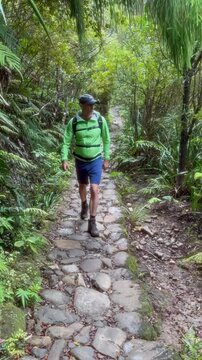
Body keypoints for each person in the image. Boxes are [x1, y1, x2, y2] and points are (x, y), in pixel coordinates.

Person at [61, 94, 110, 237]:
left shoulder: (100, 120)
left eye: (93, 105)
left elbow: (106, 140)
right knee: (82, 185)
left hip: (96, 159)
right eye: (89, 105)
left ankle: (92, 222)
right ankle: (84, 204)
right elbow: (66, 141)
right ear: (82, 105)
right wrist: (64, 159)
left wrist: (106, 159)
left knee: (95, 189)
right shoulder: (74, 122)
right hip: (80, 160)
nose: (92, 107)